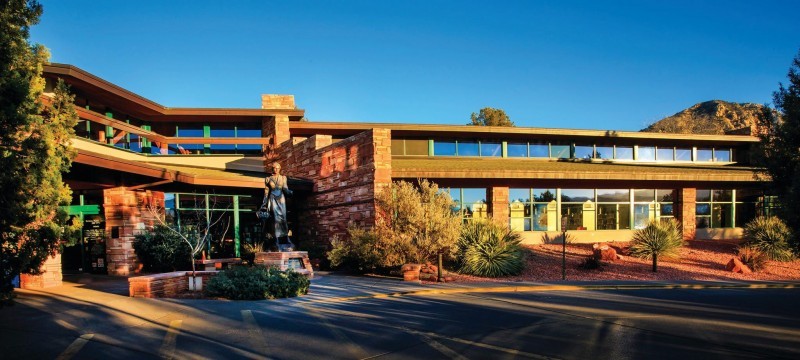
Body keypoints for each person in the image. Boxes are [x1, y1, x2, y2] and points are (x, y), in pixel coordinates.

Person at [261, 162, 294, 251]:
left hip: (281, 199)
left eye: (278, 168)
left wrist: (290, 192)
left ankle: (286, 238)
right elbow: (266, 192)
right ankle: (277, 240)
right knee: (276, 219)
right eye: (274, 168)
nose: (276, 169)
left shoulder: (283, 178)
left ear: (280, 169)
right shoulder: (268, 179)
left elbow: (285, 188)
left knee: (283, 219)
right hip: (272, 199)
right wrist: (264, 204)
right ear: (272, 169)